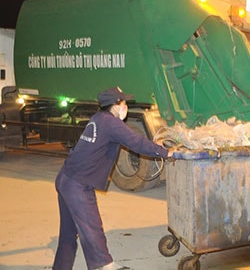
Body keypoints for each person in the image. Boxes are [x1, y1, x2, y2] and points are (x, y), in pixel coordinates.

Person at [53, 87, 174, 270]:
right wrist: (166, 153)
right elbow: (135, 142)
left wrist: (154, 145)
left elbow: (131, 139)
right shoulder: (111, 123)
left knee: (68, 234)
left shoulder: (99, 118)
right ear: (116, 105)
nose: (126, 105)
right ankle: (104, 265)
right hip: (78, 185)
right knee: (92, 228)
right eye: (124, 102)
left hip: (66, 178)